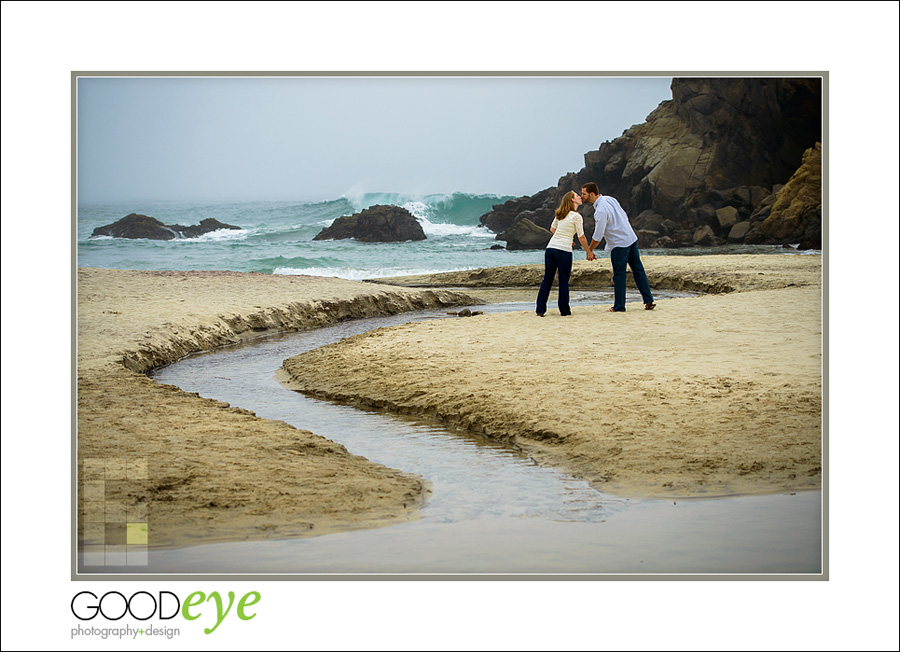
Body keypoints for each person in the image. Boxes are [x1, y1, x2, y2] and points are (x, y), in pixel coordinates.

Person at [581, 182, 656, 312]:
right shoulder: (610, 199)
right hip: (630, 238)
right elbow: (624, 215)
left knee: (619, 275)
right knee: (638, 270)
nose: (582, 196)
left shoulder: (600, 211)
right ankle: (648, 300)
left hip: (619, 243)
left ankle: (619, 306)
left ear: (592, 194)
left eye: (584, 194)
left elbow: (598, 236)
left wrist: (590, 250)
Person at [535, 190, 595, 317]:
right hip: (563, 251)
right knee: (563, 281)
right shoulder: (576, 216)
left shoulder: (560, 214)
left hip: (551, 248)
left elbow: (552, 229)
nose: (580, 197)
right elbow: (582, 237)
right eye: (577, 196)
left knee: (547, 279)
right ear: (572, 200)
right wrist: (588, 252)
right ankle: (564, 311)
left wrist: (566, 237)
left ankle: (540, 310)